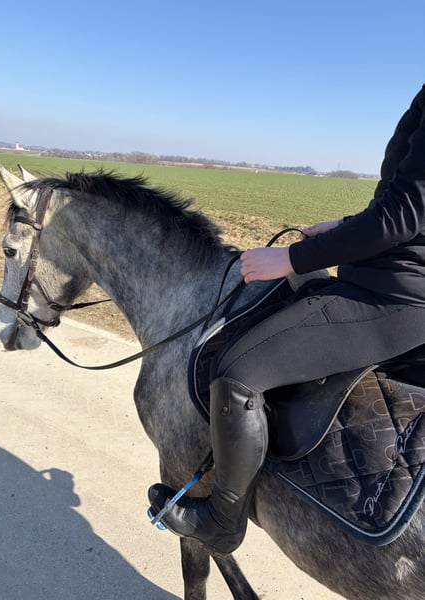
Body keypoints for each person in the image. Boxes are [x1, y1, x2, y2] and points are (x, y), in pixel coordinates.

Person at [149, 84, 425, 555]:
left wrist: (290, 259)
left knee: (236, 371)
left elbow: (402, 215)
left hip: (392, 298)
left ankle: (222, 519)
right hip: (392, 279)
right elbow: (404, 205)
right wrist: (344, 226)